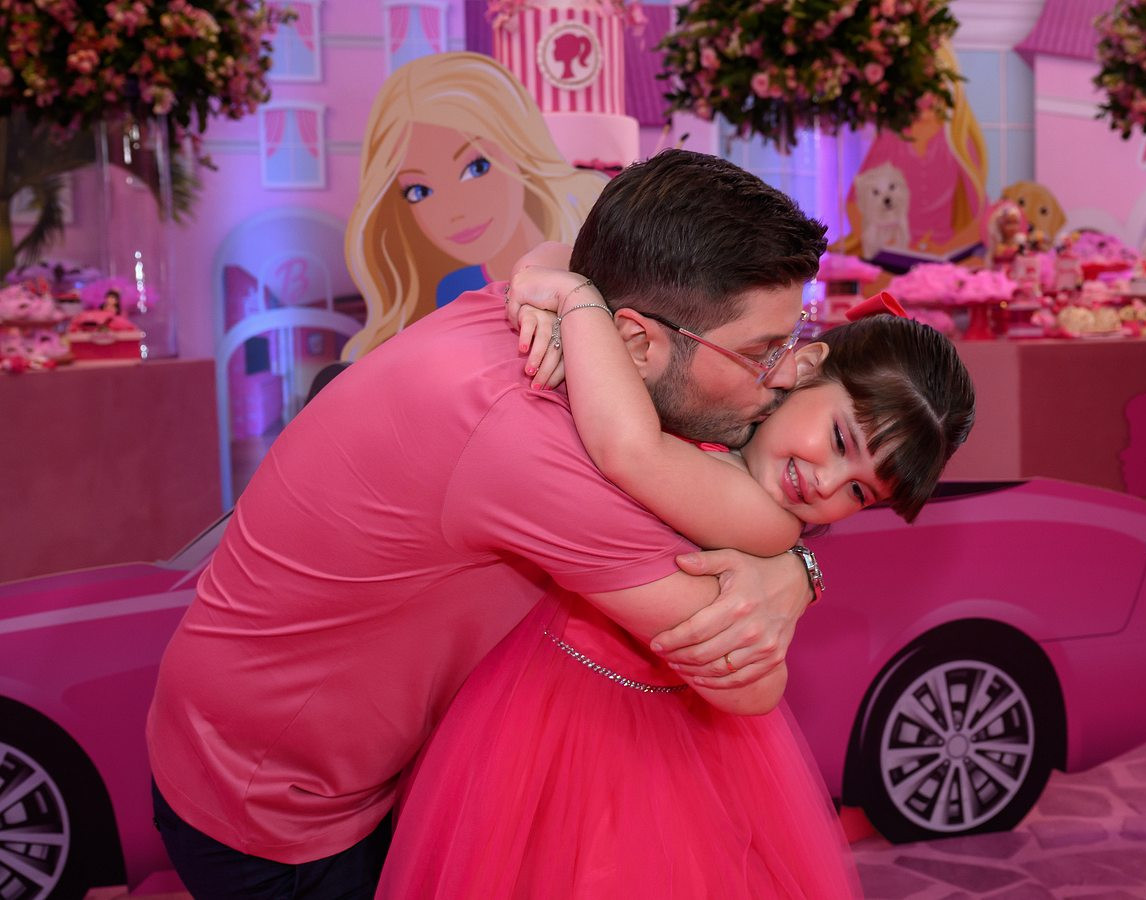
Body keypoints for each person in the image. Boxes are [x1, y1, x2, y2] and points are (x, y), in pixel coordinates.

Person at [146, 149, 835, 896]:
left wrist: (791, 571)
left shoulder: (548, 310)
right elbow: (742, 675)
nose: (780, 378)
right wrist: (794, 570)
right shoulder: (535, 442)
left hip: (295, 744)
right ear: (638, 341)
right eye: (760, 352)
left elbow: (559, 254)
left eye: (792, 340)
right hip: (272, 804)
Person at [375, 274, 974, 896]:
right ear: (806, 364)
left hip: (641, 737)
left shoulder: (765, 519)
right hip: (540, 700)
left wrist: (574, 298)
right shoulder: (711, 405)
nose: (827, 483)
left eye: (859, 492)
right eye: (840, 440)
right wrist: (556, 280)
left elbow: (630, 448)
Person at [342, 51, 606, 359]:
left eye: (476, 168)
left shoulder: (591, 248)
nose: (454, 210)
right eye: (419, 191)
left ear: (519, 149)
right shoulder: (453, 293)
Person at [840, 43, 988, 261]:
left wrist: (945, 249)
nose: (925, 95)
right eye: (916, 85)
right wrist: (879, 241)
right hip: (895, 254)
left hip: (945, 257)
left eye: (933, 82)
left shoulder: (958, 140)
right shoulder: (893, 135)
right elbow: (855, 201)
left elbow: (980, 218)